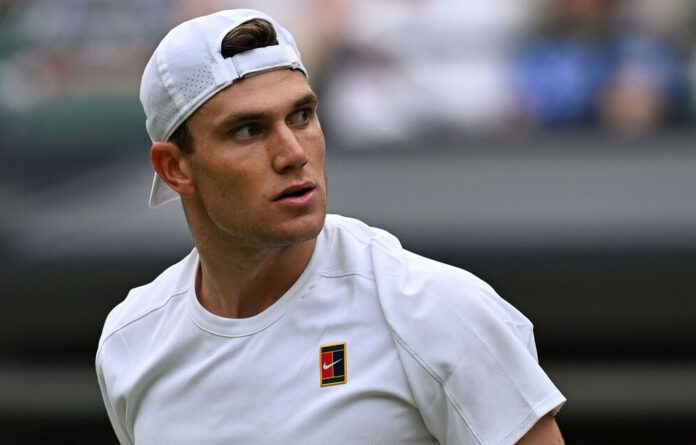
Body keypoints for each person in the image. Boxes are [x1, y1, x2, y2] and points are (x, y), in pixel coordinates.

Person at [96, 9, 565, 444]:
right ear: (175, 168)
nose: (292, 154)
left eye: (301, 116)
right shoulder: (130, 342)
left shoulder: (437, 308)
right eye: (248, 130)